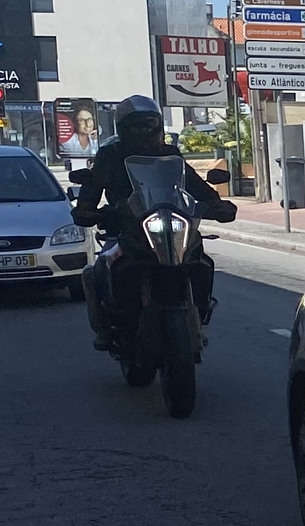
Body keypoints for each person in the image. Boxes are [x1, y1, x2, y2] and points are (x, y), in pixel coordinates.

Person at [73, 95, 230, 349]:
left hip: (167, 219)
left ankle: (199, 312)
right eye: (137, 125)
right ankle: (106, 325)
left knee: (199, 258)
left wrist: (216, 204)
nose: (144, 130)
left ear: (158, 124)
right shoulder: (110, 155)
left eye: (149, 123)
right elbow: (94, 185)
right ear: (123, 128)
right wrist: (87, 209)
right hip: (124, 225)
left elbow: (192, 182)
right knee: (98, 270)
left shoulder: (169, 154)